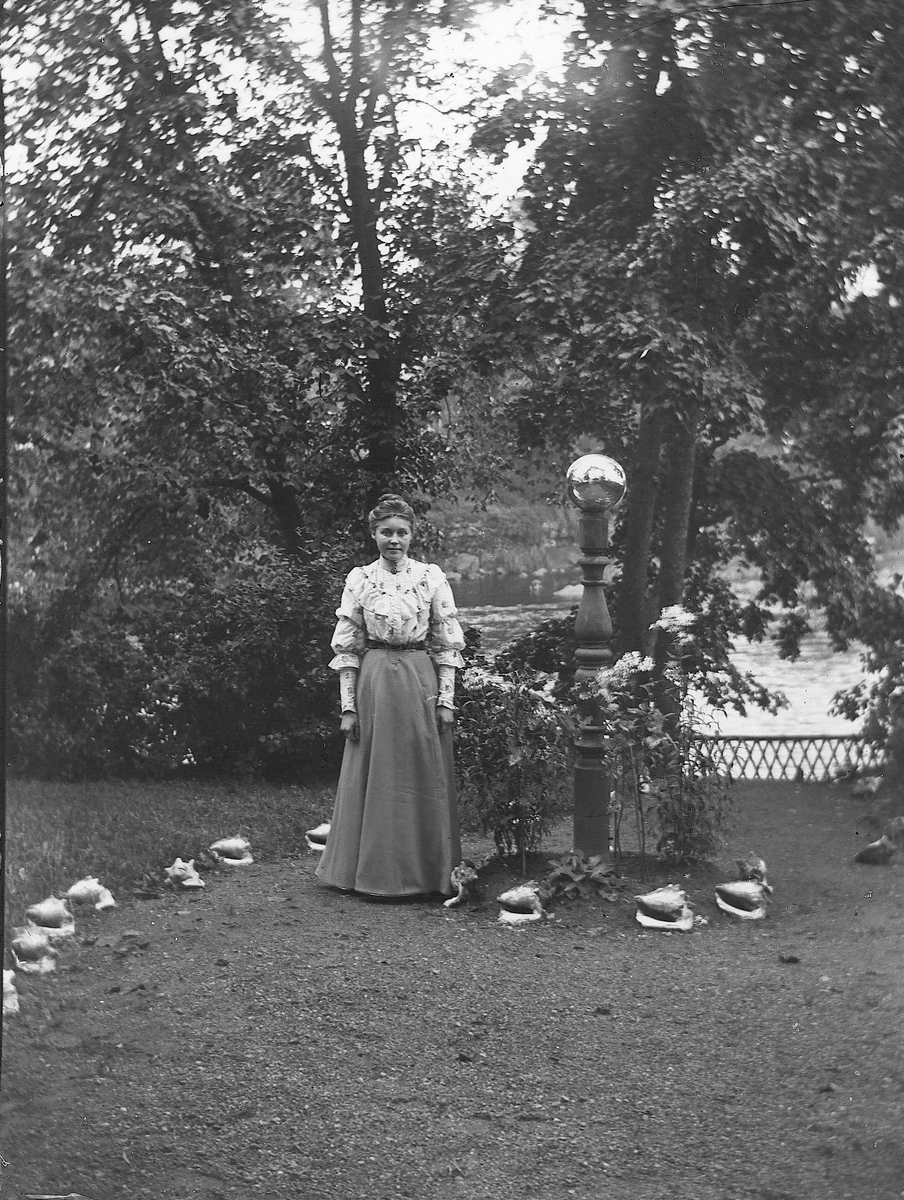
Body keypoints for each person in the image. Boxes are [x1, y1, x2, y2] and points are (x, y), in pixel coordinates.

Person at [316, 493, 465, 898]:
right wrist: (348, 708)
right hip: (376, 679)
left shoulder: (431, 578)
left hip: (419, 679)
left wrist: (446, 700)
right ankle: (369, 873)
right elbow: (348, 647)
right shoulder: (360, 580)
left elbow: (446, 642)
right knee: (374, 770)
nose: (394, 540)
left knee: (421, 771)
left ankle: (427, 874)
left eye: (401, 532)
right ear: (374, 535)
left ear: (412, 535)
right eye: (386, 532)